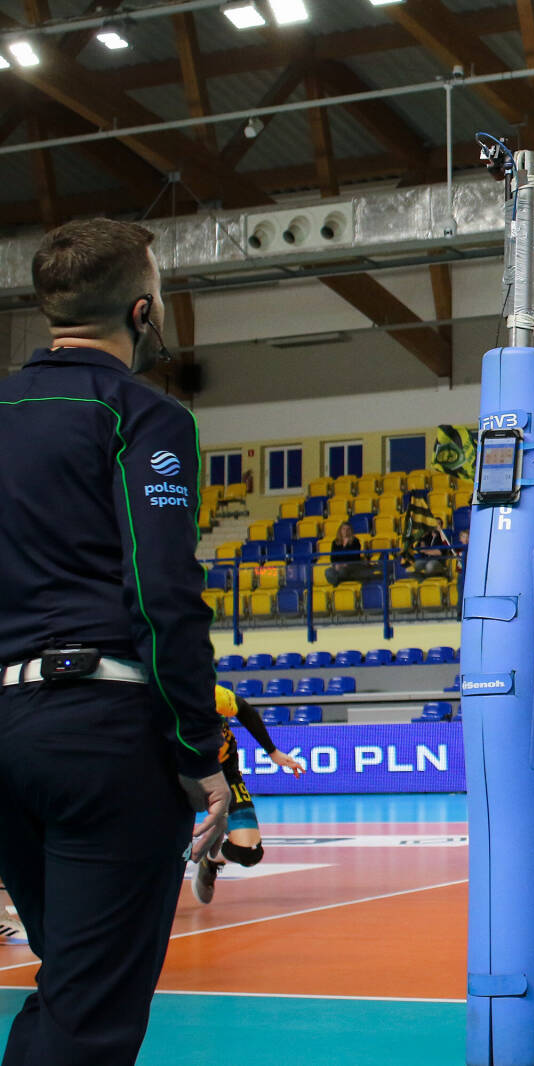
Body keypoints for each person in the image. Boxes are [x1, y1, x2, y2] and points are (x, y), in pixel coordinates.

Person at [0, 218, 230, 1063]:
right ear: (142, 312)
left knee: (70, 988)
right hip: (100, 733)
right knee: (90, 1013)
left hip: (5, 729)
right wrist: (198, 749)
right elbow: (161, 591)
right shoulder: (143, 415)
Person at [191, 685, 307, 903]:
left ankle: (211, 859)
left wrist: (272, 751)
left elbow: (244, 709)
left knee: (249, 852)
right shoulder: (156, 702)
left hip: (224, 770)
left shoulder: (211, 693)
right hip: (177, 773)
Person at [326, 521, 379, 585]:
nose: (345, 531)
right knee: (328, 571)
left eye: (348, 529)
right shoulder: (335, 542)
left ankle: (340, 583)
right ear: (340, 530)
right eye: (343, 529)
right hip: (338, 567)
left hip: (351, 565)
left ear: (351, 531)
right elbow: (333, 558)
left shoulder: (355, 541)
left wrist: (343, 564)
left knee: (342, 571)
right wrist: (336, 564)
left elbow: (355, 557)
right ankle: (339, 582)